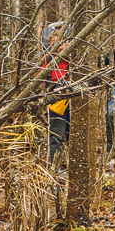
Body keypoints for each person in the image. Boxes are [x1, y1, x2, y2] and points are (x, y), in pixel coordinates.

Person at [42, 21, 71, 168]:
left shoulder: (74, 58)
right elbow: (41, 75)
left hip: (74, 98)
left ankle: (75, 166)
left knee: (75, 134)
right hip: (56, 100)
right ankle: (55, 168)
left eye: (62, 43)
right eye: (55, 43)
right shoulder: (47, 58)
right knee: (56, 136)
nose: (59, 47)